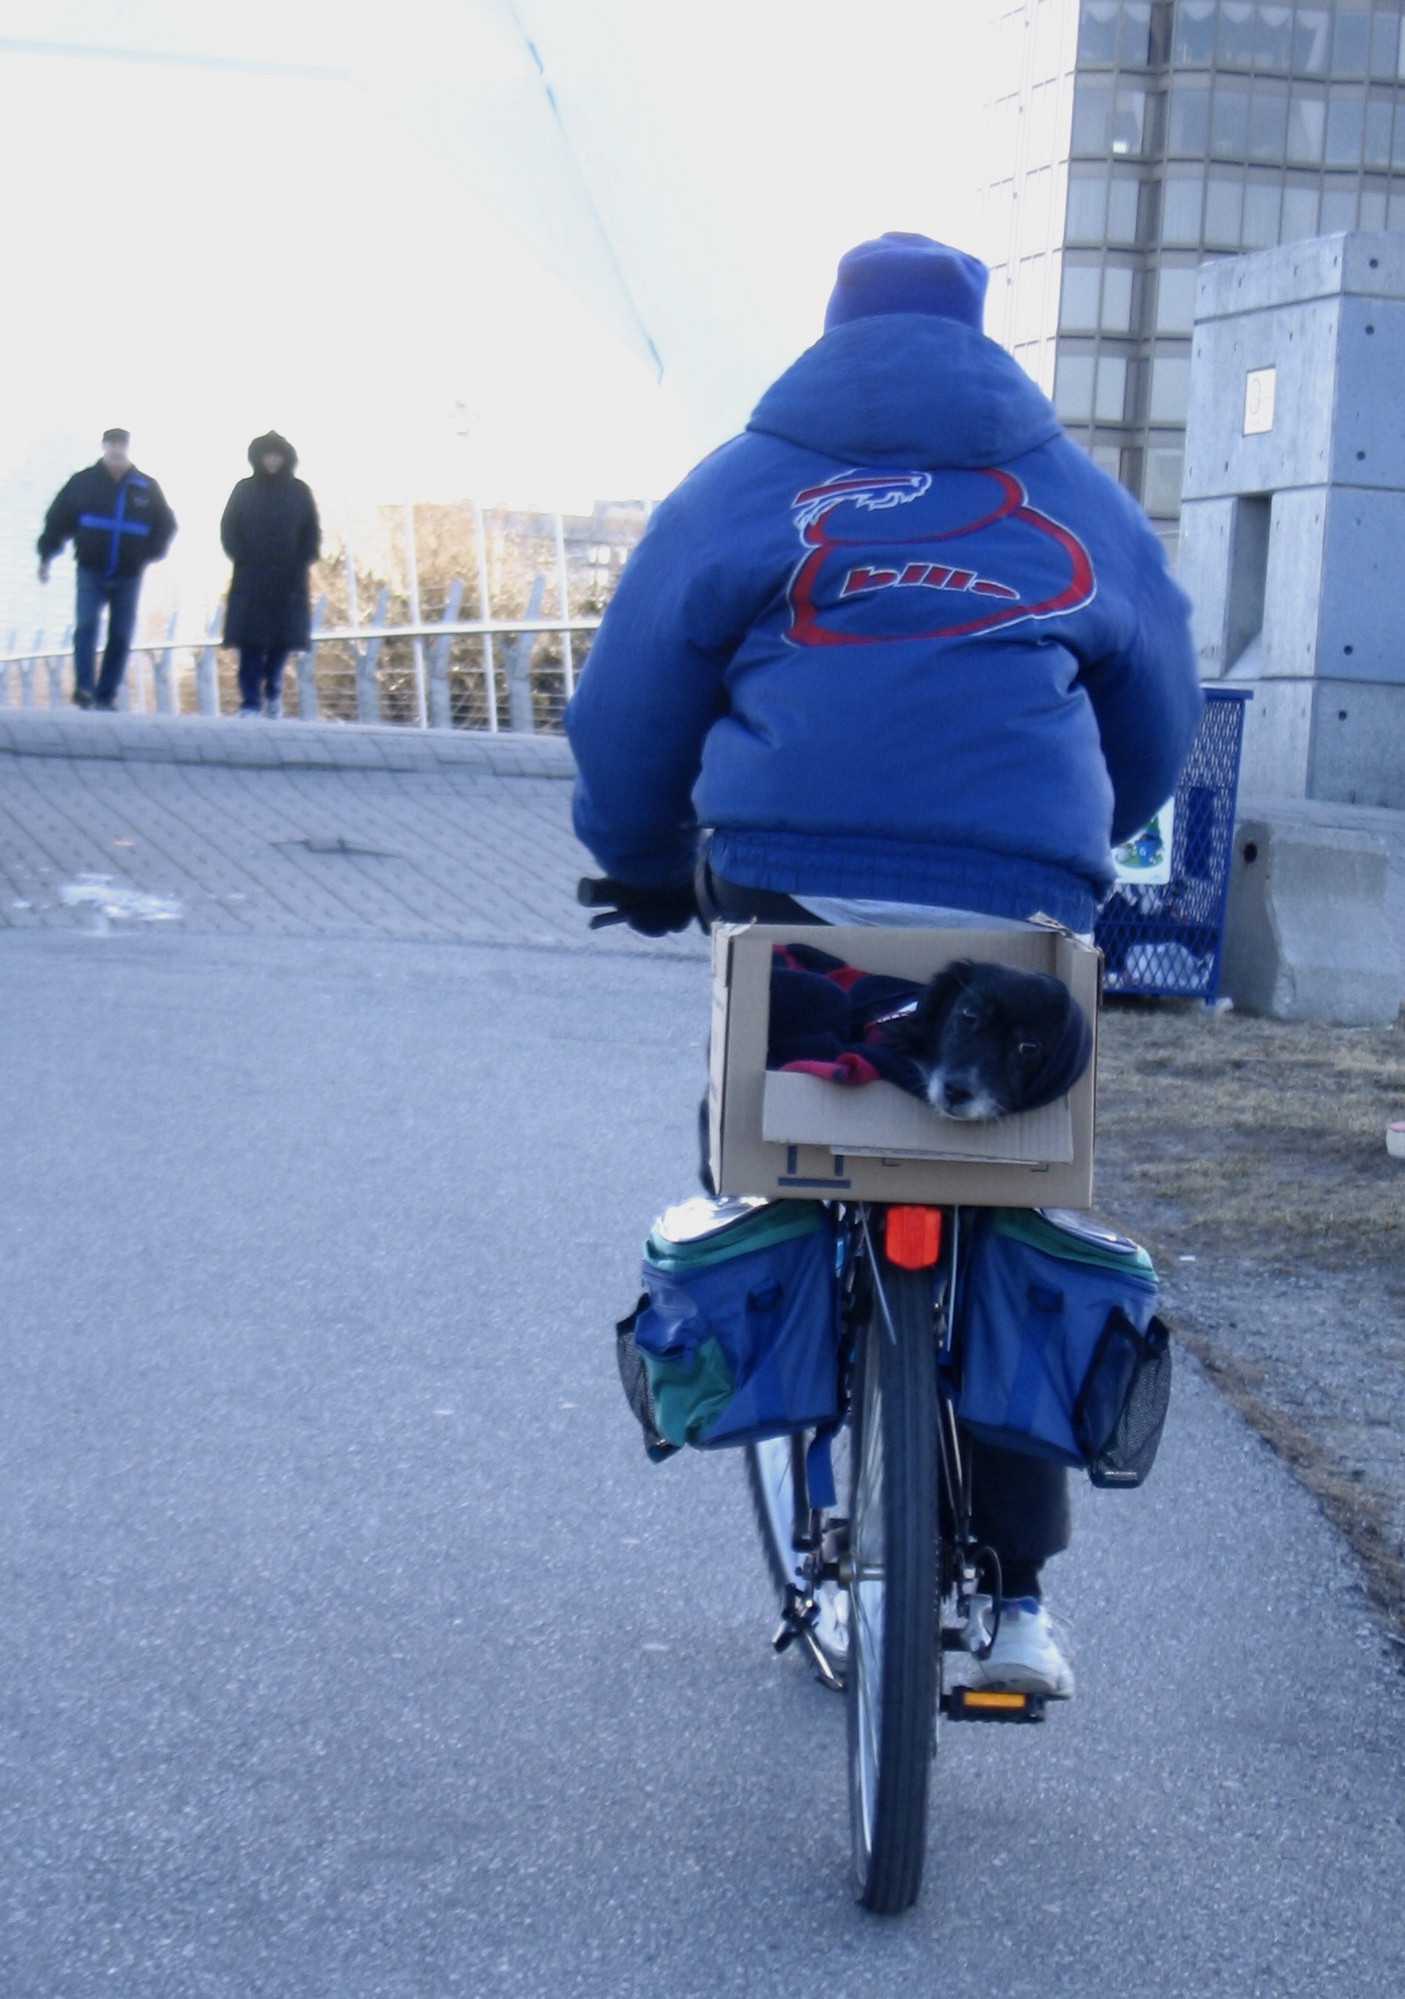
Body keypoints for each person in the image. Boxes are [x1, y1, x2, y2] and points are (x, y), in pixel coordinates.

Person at [565, 232, 1202, 1702]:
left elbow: (630, 696)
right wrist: (1077, 838)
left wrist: (646, 859)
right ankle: (1024, 1600)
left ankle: (796, 1431)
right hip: (1016, 909)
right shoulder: (1061, 487)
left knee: (778, 1127)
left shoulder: (753, 475)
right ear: (981, 338)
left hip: (793, 879)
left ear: (833, 329)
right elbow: (1156, 686)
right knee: (1013, 1203)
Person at [37, 429, 177, 710]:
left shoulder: (146, 488)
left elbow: (166, 525)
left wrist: (147, 554)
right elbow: (57, 520)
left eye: (121, 445)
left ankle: (105, 694)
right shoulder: (83, 483)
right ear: (104, 447)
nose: (117, 451)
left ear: (128, 449)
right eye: (112, 445)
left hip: (128, 575)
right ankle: (85, 688)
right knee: (86, 626)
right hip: (91, 571)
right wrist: (46, 557)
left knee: (121, 634)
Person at [220, 431, 321, 718]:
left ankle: (272, 687)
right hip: (251, 578)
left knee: (282, 641)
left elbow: (311, 530)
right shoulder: (244, 490)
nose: (272, 460)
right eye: (267, 455)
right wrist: (241, 556)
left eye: (277, 455)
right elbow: (229, 527)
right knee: (250, 643)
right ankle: (250, 701)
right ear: (258, 458)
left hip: (288, 579)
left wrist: (303, 558)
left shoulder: (299, 491)